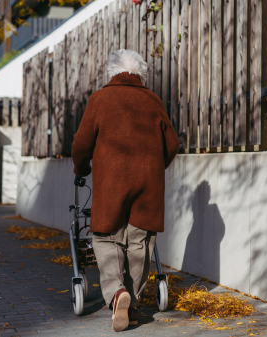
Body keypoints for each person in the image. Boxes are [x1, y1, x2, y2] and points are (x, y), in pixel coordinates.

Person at [71, 49, 180, 332]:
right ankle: (131, 308)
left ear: (112, 72)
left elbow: (81, 144)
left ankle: (118, 293)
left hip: (111, 186)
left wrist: (81, 168)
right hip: (147, 186)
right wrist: (156, 167)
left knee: (107, 240)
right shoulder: (153, 100)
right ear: (141, 74)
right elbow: (173, 145)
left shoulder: (100, 98)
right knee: (139, 243)